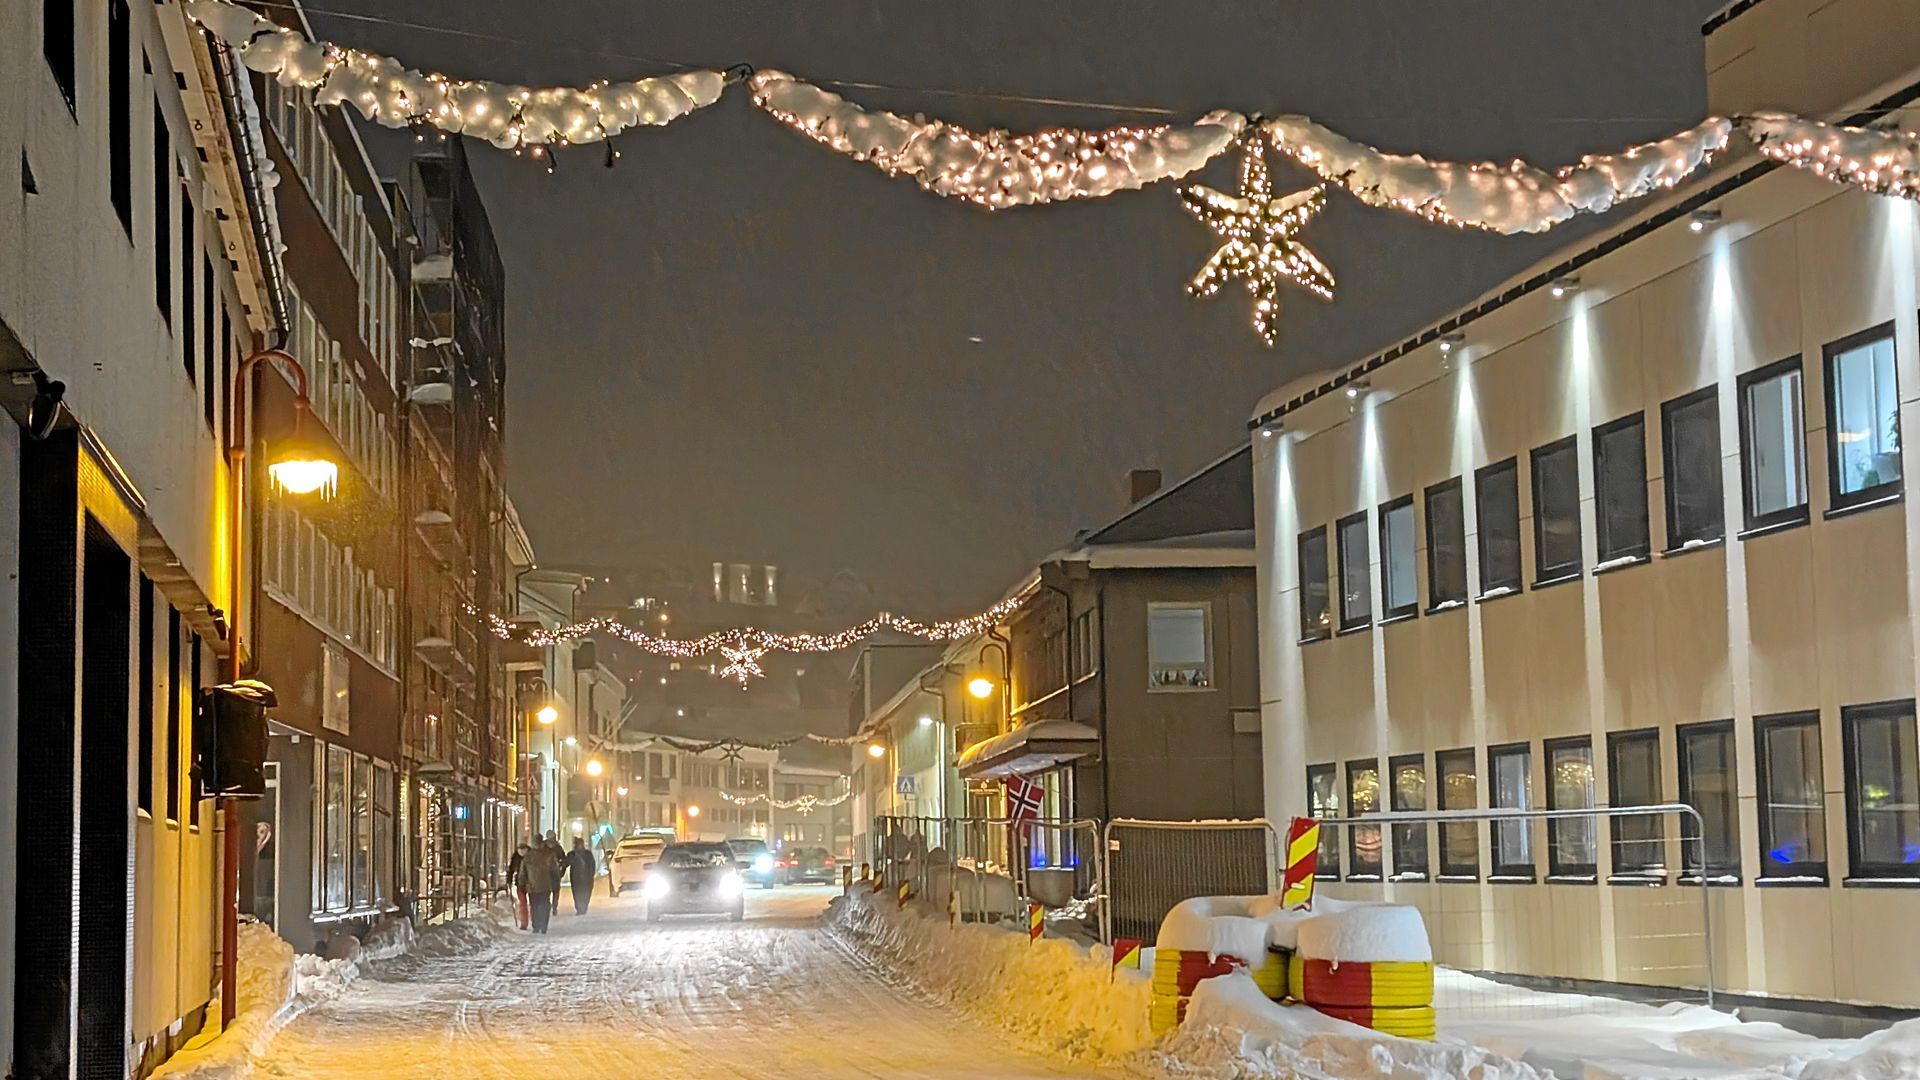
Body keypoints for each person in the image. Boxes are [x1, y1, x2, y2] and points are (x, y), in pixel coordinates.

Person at [515, 839, 562, 934]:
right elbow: (555, 871)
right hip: (545, 885)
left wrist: (521, 883)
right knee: (544, 905)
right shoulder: (549, 855)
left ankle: (536, 925)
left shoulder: (528, 856)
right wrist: (556, 881)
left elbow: (522, 873)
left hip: (532, 887)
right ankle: (543, 925)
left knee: (535, 906)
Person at [565, 838, 598, 915]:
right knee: (576, 894)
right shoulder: (572, 854)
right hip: (576, 879)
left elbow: (592, 865)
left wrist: (592, 875)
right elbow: (566, 863)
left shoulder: (588, 854)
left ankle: (584, 907)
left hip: (587, 879)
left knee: (586, 894)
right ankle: (579, 908)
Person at [507, 842, 531, 930]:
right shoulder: (516, 857)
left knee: (526, 903)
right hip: (523, 882)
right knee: (523, 903)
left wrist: (509, 879)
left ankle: (528, 921)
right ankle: (525, 922)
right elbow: (511, 869)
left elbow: (511, 869)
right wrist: (509, 879)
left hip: (528, 882)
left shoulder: (530, 856)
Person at [543, 832, 566, 914]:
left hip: (554, 873)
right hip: (546, 873)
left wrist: (561, 870)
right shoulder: (544, 847)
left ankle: (554, 907)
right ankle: (550, 906)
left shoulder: (557, 848)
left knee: (554, 890)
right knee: (548, 891)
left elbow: (563, 860)